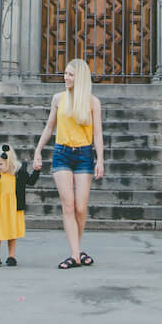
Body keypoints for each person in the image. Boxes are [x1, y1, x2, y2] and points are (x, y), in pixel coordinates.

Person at [31, 57, 104, 269]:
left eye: (71, 74)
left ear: (79, 78)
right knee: (68, 205)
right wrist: (38, 151)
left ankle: (77, 251)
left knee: (81, 208)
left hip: (84, 155)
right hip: (62, 153)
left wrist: (100, 159)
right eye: (65, 73)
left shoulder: (92, 102)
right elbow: (49, 127)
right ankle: (75, 254)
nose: (66, 77)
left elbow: (98, 133)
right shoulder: (58, 99)